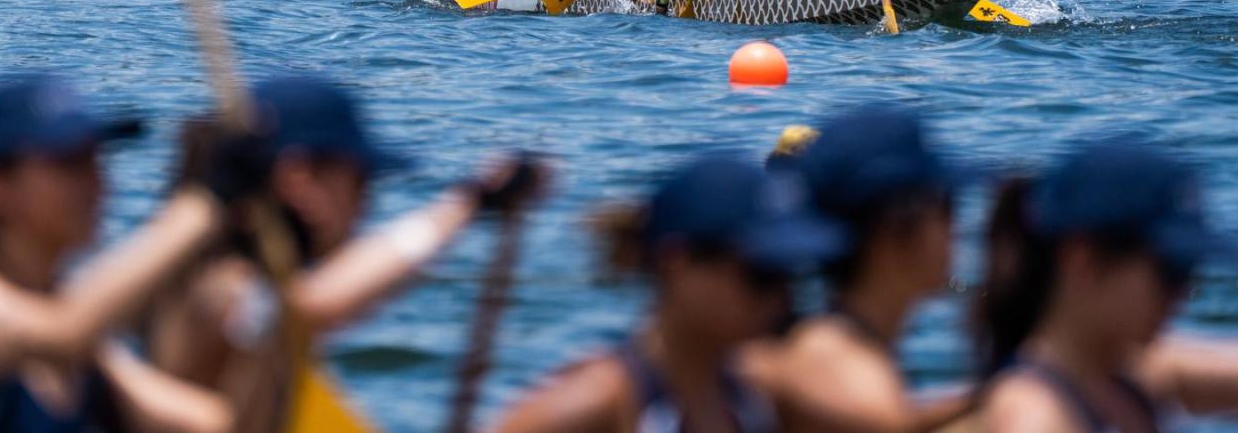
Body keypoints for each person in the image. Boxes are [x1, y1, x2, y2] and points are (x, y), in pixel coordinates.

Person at [145, 75, 542, 433]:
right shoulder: (222, 289)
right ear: (298, 179)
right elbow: (312, 308)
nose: (367, 203)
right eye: (362, 180)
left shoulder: (240, 286)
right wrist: (470, 203)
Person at [0, 74, 248, 433]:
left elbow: (216, 423)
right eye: (70, 164)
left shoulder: (87, 347)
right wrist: (207, 202)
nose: (98, 185)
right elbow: (65, 331)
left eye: (96, 162)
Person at [491, 153, 843, 433]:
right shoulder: (592, 406)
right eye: (762, 276)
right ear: (678, 263)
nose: (783, 299)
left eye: (791, 276)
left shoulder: (763, 394)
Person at [976, 139, 1238, 433]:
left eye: (1189, 269)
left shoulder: (1123, 378)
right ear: (1083, 262)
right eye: (1171, 271)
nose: (1183, 292)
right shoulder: (1036, 418)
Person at [740, 109, 973, 433]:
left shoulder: (824, 347)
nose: (957, 226)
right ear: (892, 234)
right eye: (947, 204)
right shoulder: (830, 363)